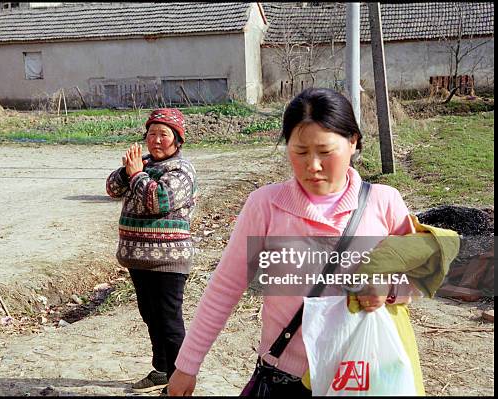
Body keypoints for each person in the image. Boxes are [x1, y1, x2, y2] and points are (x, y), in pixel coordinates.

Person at [168, 88, 420, 396]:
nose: (312, 166)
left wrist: (389, 287)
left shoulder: (384, 202)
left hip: (361, 377)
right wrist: (187, 366)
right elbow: (224, 288)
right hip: (285, 379)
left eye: (325, 152)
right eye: (300, 152)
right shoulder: (266, 205)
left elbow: (417, 274)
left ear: (353, 141)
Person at [106, 108, 197, 395]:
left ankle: (178, 380)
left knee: (169, 320)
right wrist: (127, 171)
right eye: (152, 134)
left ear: (177, 141)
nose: (156, 140)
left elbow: (160, 200)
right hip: (138, 258)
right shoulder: (143, 165)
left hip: (168, 260)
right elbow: (111, 188)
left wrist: (136, 176)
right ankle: (161, 369)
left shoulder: (182, 170)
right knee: (150, 315)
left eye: (164, 135)